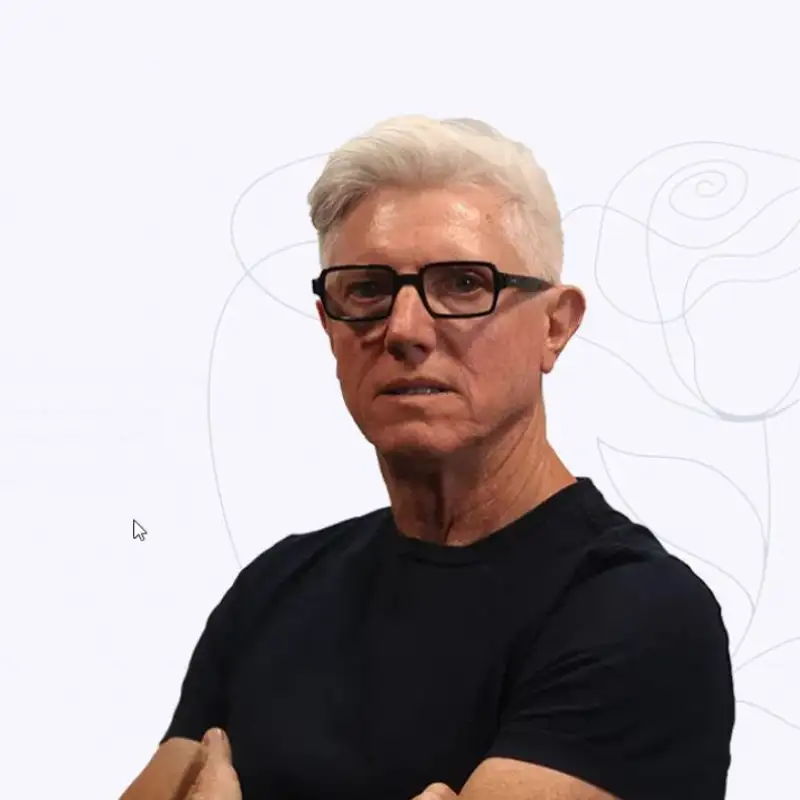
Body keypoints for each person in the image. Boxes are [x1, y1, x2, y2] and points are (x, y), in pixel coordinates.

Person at [154, 116, 735, 800]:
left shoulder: (640, 612)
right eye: (366, 289)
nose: (404, 330)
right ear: (329, 325)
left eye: (463, 283)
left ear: (555, 325)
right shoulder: (273, 590)